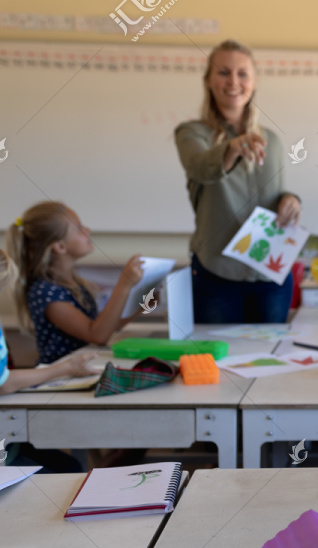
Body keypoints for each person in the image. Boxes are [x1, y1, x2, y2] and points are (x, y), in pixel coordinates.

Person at [175, 39, 302, 324]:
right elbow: (199, 168)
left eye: (242, 73)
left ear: (254, 82)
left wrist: (291, 200)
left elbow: (272, 193)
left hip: (270, 270)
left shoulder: (272, 139)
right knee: (219, 363)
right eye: (223, 72)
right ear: (208, 80)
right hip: (218, 272)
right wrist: (232, 148)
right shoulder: (191, 133)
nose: (233, 81)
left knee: (270, 362)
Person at [7, 201, 145, 365]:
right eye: (79, 228)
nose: (88, 230)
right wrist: (124, 285)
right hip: (59, 378)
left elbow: (106, 328)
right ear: (60, 246)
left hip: (82, 369)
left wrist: (141, 307)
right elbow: (97, 335)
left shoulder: (73, 284)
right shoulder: (45, 292)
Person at [0, 248, 99, 472]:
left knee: (69, 465)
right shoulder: (46, 292)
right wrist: (66, 368)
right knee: (69, 470)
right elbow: (3, 383)